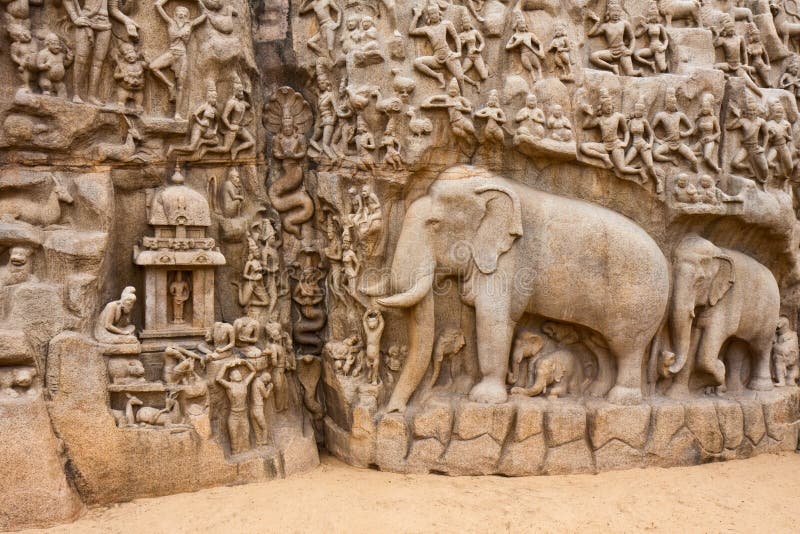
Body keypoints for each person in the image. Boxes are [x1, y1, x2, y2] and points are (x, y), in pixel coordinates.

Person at [64, 0, 139, 104]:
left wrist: (127, 21)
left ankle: (92, 95)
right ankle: (76, 94)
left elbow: (113, 9)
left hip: (105, 24)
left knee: (98, 63)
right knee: (81, 59)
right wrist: (75, 18)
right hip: (86, 20)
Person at [216, 360, 255, 455]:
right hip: (234, 415)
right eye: (235, 374)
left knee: (246, 435)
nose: (239, 375)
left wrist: (246, 362)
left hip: (243, 414)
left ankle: (246, 451)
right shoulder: (229, 385)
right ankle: (235, 452)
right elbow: (218, 379)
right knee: (234, 437)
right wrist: (225, 365)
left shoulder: (244, 383)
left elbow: (253, 371)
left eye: (239, 373)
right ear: (231, 377)